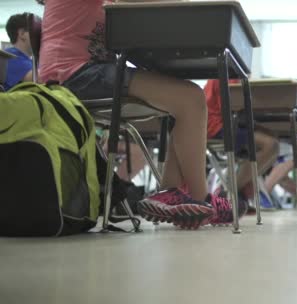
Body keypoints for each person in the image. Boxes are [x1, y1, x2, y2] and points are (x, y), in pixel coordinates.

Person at [36, 0, 238, 229]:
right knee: (191, 99)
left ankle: (170, 196)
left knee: (186, 100)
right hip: (73, 75)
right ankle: (203, 200)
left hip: (89, 72)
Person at [204, 79, 279, 211]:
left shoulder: (234, 74)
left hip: (227, 123)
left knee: (273, 142)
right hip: (217, 126)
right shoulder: (224, 74)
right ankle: (230, 191)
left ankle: (236, 192)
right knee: (270, 144)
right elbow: (231, 108)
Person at [2, 13, 34, 91]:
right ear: (22, 33)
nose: (41, 36)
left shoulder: (29, 60)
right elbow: (38, 78)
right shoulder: (8, 57)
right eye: (37, 31)